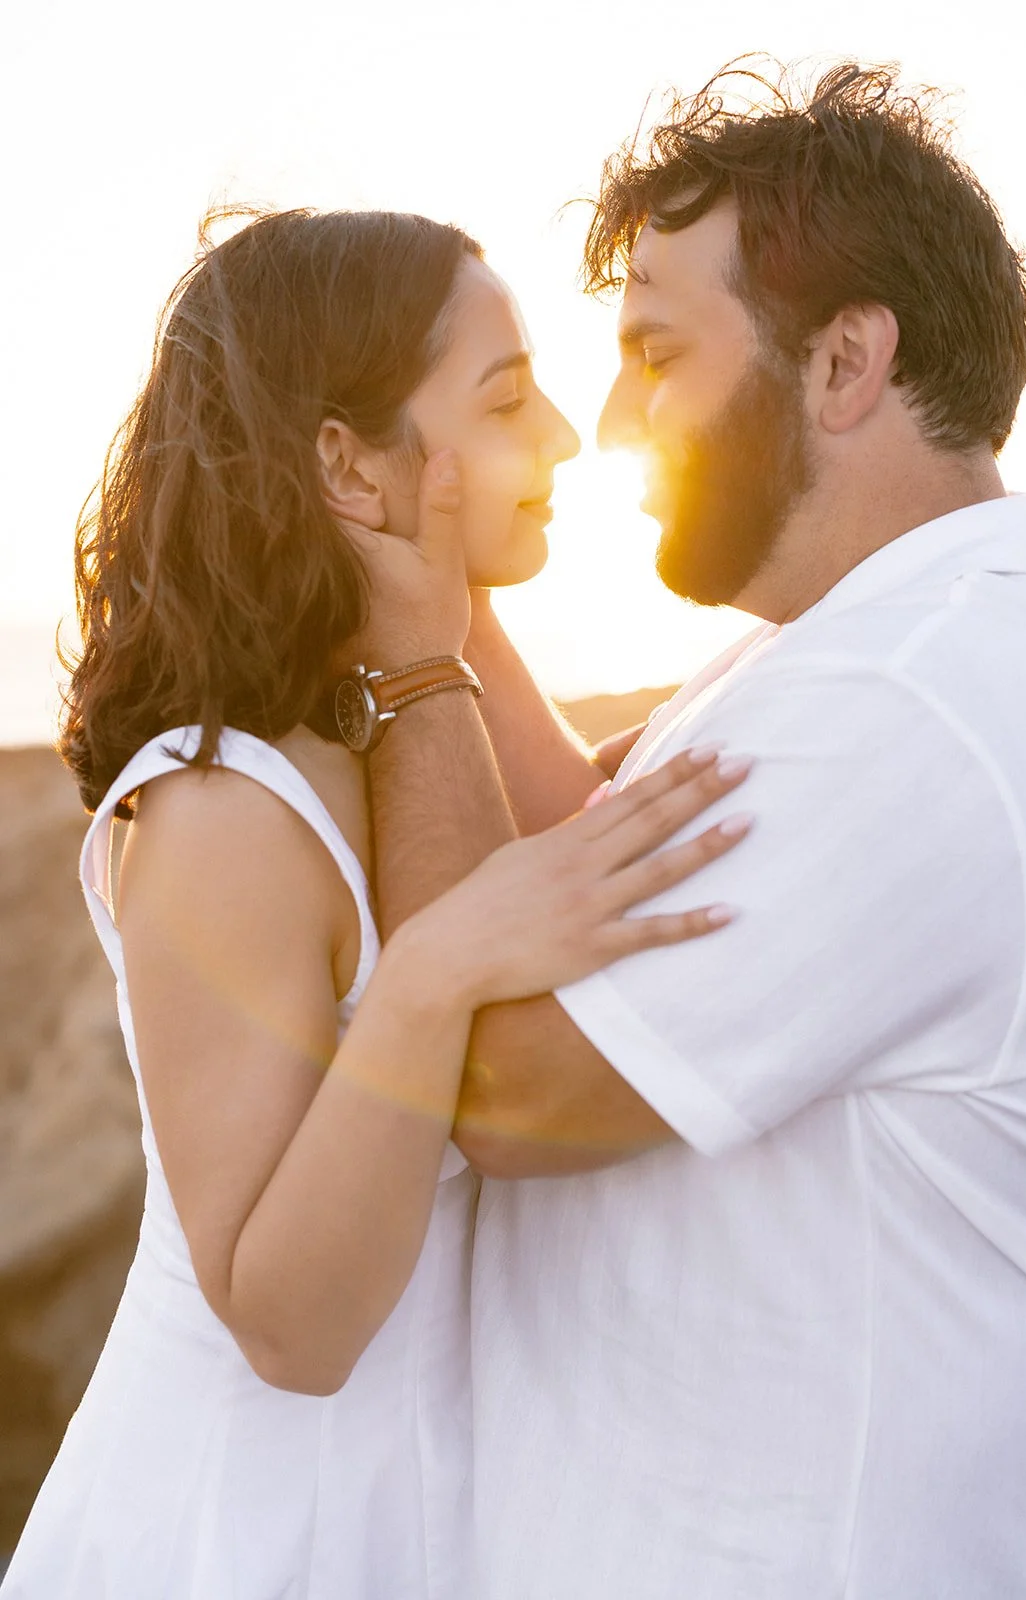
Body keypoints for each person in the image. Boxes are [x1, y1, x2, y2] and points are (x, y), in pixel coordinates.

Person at [355, 63, 1026, 1598]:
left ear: (842, 363)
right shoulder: (860, 647)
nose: (607, 422)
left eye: (655, 352)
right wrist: (448, 560)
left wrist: (410, 653)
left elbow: (498, 1083)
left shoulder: (912, 700)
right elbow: (578, 843)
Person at [0, 209, 754, 1600]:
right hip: (239, 1543)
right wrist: (428, 979)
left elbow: (565, 826)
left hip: (423, 1523)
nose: (571, 443)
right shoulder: (227, 809)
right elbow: (290, 1328)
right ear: (345, 463)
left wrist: (436, 609)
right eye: (508, 400)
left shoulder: (414, 707)